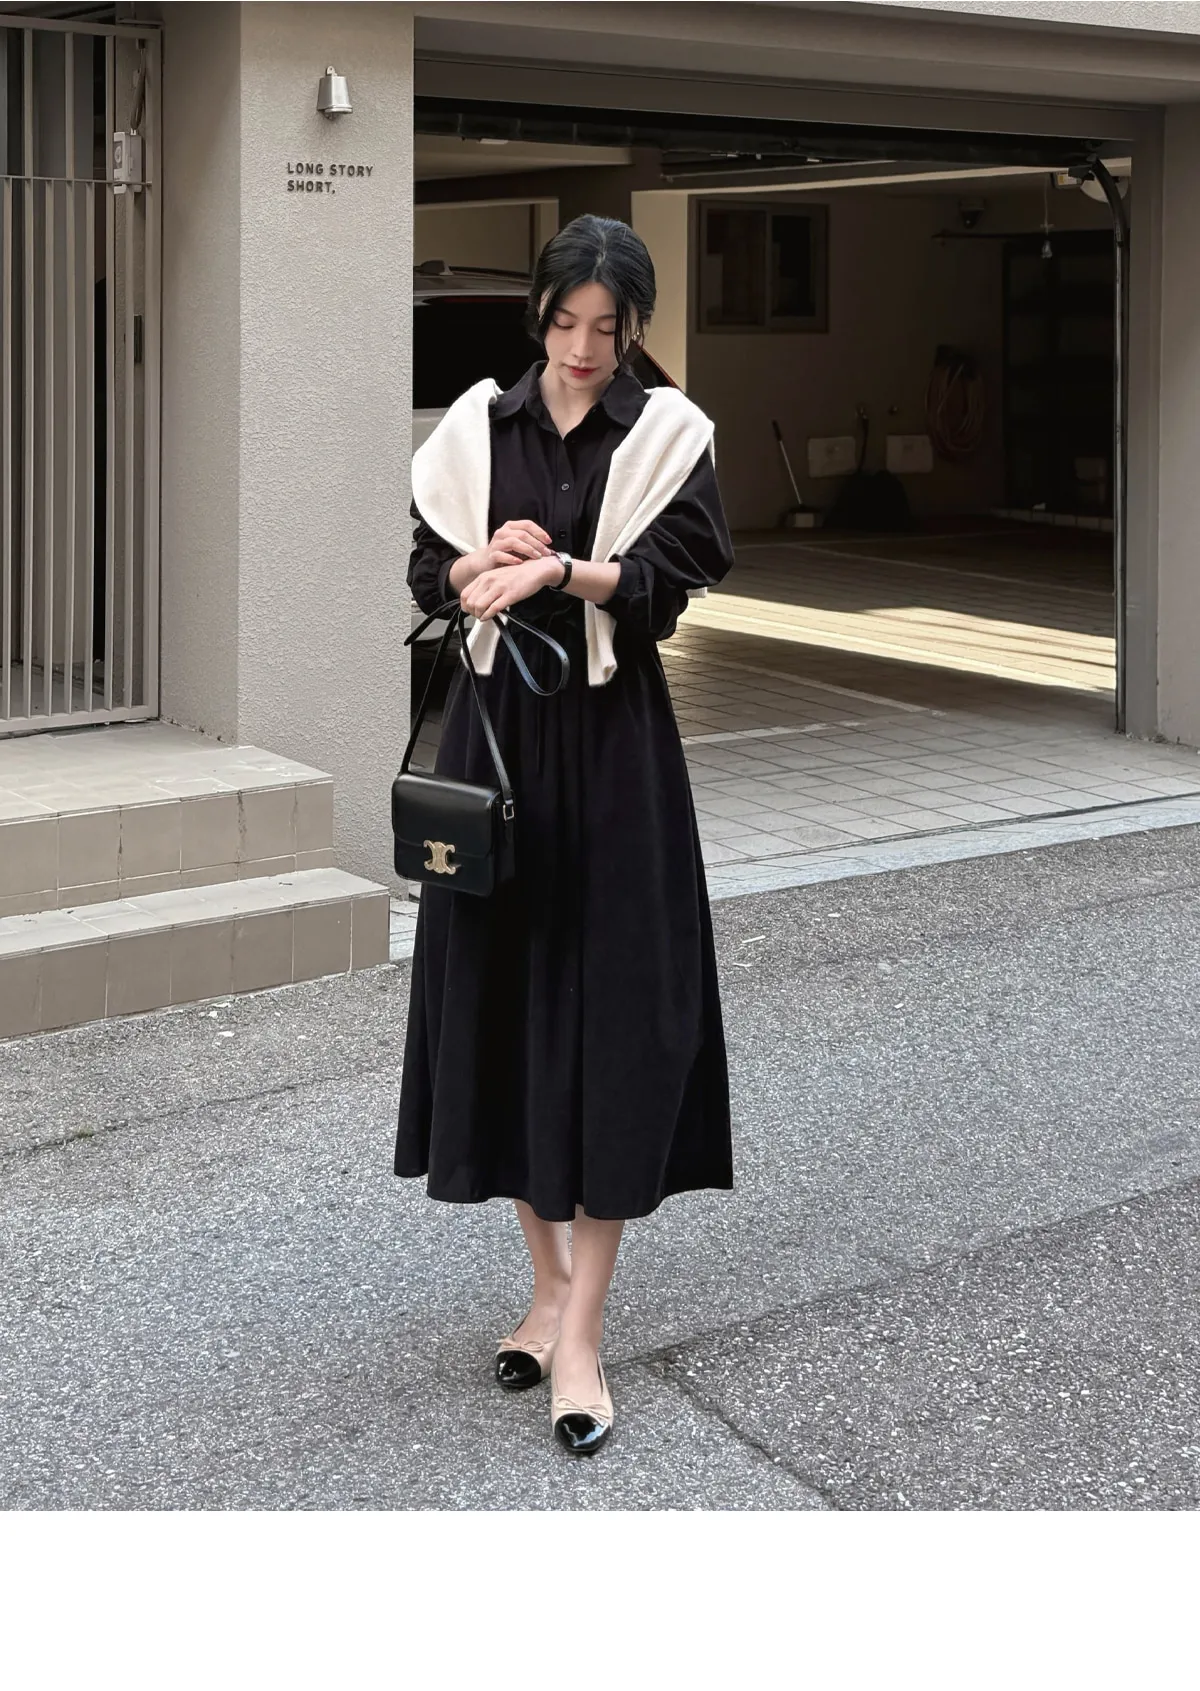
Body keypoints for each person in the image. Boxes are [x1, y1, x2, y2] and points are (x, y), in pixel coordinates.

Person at [395, 214, 734, 1457]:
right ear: (537, 314)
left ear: (635, 328)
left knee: (614, 1022)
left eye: (607, 327)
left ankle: (581, 1329)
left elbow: (665, 587)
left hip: (614, 755)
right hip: (497, 750)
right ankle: (544, 1289)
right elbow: (429, 572)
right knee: (499, 1010)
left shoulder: (667, 434)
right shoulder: (476, 429)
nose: (582, 347)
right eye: (564, 321)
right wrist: (479, 559)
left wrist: (565, 572)